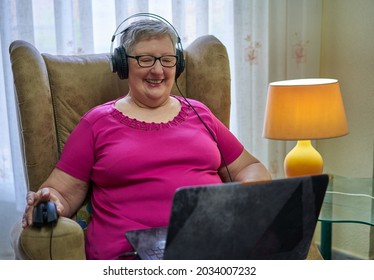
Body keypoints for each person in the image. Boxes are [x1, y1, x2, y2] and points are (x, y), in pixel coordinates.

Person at [21, 18, 272, 260]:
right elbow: (61, 192)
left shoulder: (200, 113)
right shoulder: (96, 123)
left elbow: (250, 167)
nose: (158, 70)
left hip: (211, 247)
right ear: (123, 64)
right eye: (145, 59)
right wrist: (49, 200)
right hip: (130, 257)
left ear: (178, 64)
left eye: (167, 59)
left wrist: (243, 201)